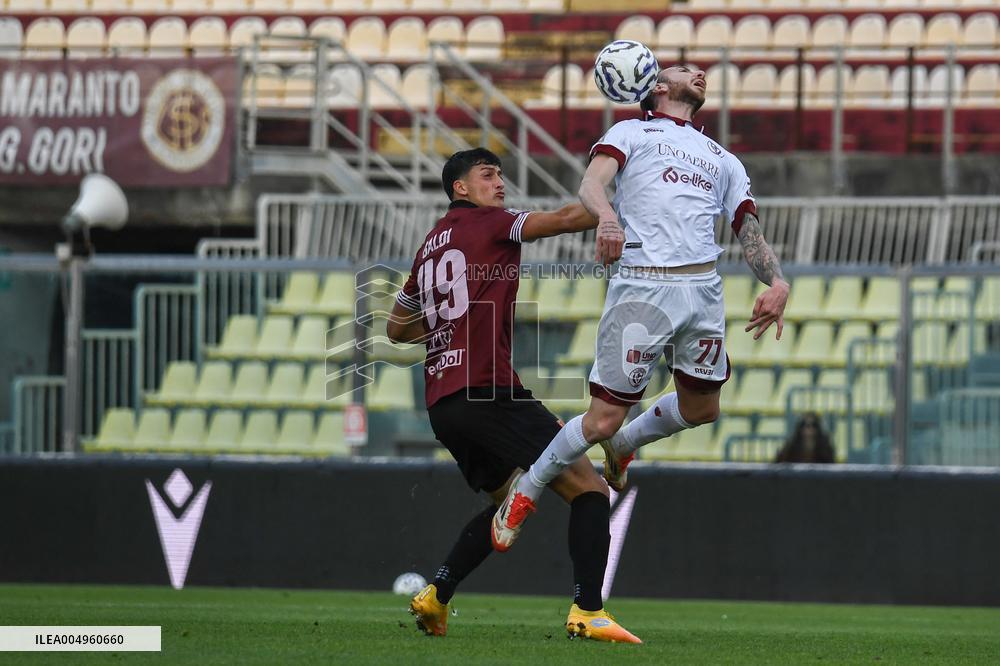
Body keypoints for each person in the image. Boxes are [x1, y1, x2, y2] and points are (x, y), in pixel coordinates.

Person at [493, 64, 791, 549]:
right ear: (658, 86)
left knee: (703, 408)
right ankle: (528, 488)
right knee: (601, 420)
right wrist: (607, 218)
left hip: (703, 290)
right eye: (684, 69)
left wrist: (777, 280)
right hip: (643, 286)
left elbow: (749, 232)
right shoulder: (631, 132)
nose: (698, 72)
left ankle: (626, 445)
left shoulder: (724, 159)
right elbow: (591, 186)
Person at [386, 148, 640, 643]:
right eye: (488, 175)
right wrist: (621, 206)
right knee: (590, 488)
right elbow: (566, 218)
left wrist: (448, 329)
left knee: (509, 499)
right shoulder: (492, 223)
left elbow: (396, 328)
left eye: (501, 175)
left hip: (444, 404)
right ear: (461, 188)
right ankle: (589, 611)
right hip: (489, 392)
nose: (499, 183)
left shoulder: (428, 247)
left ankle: (436, 595)